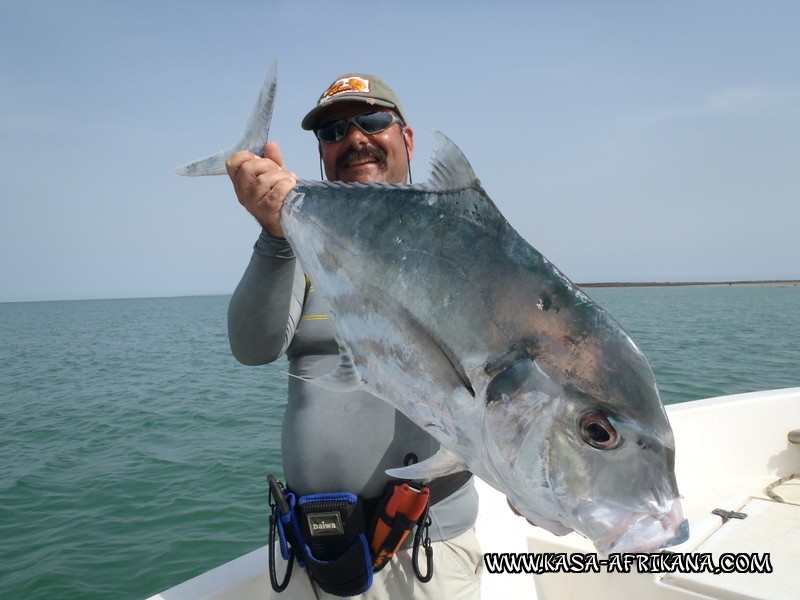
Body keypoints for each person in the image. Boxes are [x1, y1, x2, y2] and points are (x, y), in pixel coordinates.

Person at [225, 74, 483, 599]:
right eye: (335, 130)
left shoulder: (460, 248)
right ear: (321, 152)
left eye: (372, 121)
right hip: (317, 547)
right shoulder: (302, 240)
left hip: (428, 546)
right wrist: (275, 236)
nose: (355, 138)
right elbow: (253, 349)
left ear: (406, 139)